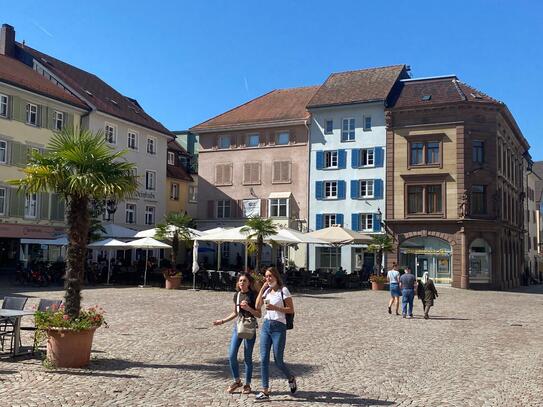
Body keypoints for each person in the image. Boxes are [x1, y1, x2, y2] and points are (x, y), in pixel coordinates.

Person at [213, 272, 261, 394]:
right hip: (238, 326)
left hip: (249, 327)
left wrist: (249, 309)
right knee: (231, 354)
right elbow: (235, 312)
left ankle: (247, 384)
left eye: (244, 281)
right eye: (240, 281)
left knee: (247, 357)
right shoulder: (237, 295)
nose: (242, 283)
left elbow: (259, 314)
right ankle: (237, 380)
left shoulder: (254, 295)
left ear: (249, 283)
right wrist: (222, 321)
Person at [254, 267, 297, 402]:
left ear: (276, 277)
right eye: (266, 276)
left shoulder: (283, 291)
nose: (268, 279)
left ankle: (290, 377)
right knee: (264, 359)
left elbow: (290, 309)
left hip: (279, 327)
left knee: (278, 360)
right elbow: (257, 306)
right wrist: (262, 289)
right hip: (267, 326)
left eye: (270, 276)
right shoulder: (267, 291)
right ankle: (265, 390)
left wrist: (275, 308)